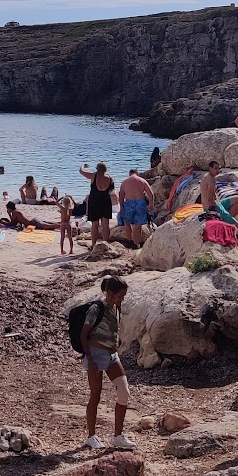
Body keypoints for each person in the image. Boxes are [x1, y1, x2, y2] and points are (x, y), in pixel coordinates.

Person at [79, 276, 135, 451]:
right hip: (96, 354)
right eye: (120, 295)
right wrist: (91, 359)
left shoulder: (116, 308)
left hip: (112, 356)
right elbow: (83, 335)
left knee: (124, 392)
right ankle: (91, 436)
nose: (122, 299)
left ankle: (118, 436)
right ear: (110, 293)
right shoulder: (96, 309)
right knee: (95, 396)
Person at [79, 162, 116, 244]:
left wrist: (83, 166)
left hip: (95, 201)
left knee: (94, 225)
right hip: (106, 201)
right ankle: (106, 243)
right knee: (105, 225)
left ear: (97, 169)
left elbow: (81, 171)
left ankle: (93, 244)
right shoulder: (110, 178)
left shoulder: (94, 176)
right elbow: (111, 190)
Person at [117, 168, 155, 245]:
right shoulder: (142, 181)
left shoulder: (124, 182)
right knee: (138, 225)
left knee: (127, 223)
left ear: (129, 174)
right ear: (137, 173)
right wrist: (151, 204)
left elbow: (121, 196)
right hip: (140, 203)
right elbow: (151, 194)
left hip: (128, 203)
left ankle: (129, 241)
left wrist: (121, 207)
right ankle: (136, 243)